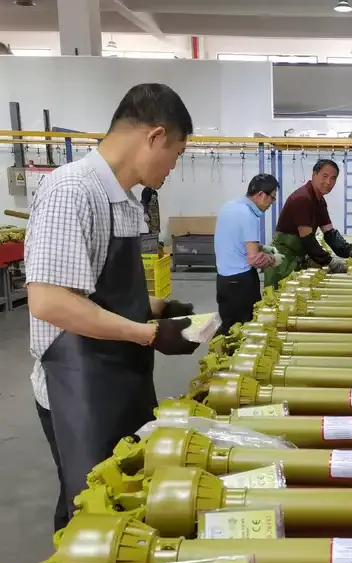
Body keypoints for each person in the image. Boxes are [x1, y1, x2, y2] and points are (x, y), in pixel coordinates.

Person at [25, 83, 201, 531]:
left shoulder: (124, 201)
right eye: (177, 154)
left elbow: (99, 291)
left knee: (124, 496)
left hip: (121, 379)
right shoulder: (72, 190)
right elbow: (51, 301)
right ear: (155, 136)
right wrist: (147, 333)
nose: (173, 167)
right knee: (91, 511)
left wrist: (156, 306)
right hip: (79, 387)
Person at [264, 159, 352, 288]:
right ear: (314, 174)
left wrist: (349, 251)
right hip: (283, 260)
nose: (328, 182)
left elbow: (330, 233)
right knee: (280, 295)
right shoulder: (302, 198)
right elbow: (308, 240)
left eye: (333, 178)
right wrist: (330, 261)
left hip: (297, 257)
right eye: (324, 176)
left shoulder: (320, 202)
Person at [214, 173, 280, 335]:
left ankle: (218, 348)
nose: (271, 203)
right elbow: (254, 259)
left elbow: (236, 240)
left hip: (224, 280)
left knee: (229, 324)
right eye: (272, 198)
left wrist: (262, 247)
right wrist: (273, 259)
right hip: (241, 283)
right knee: (246, 330)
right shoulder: (248, 215)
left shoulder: (229, 206)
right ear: (261, 194)